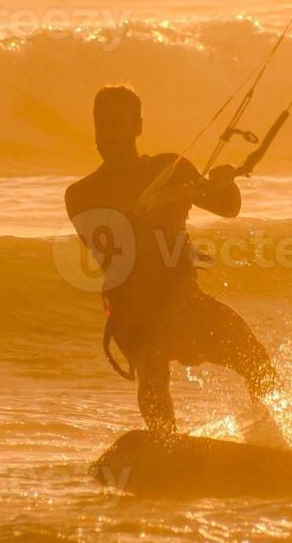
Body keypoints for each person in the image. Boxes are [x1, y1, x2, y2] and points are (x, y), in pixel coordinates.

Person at [66, 85, 280, 435]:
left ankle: (269, 438)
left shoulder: (172, 167)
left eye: (118, 123)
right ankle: (166, 445)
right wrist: (146, 210)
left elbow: (226, 207)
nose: (108, 133)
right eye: (101, 124)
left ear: (137, 126)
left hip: (185, 300)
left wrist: (225, 183)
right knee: (152, 366)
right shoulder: (82, 194)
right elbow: (108, 247)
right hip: (132, 311)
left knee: (253, 355)